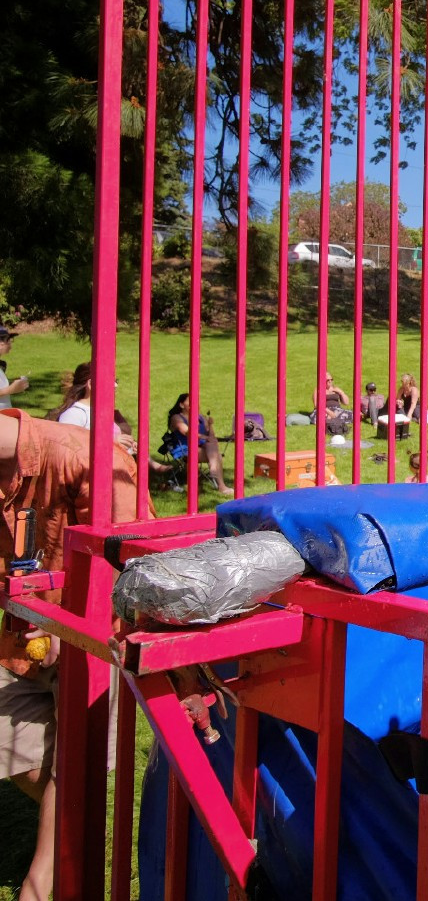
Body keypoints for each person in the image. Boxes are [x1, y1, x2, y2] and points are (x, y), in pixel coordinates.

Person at [1, 406, 148, 901]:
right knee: (20, 751)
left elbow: (131, 558)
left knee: (73, 761)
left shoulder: (82, 458)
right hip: (25, 636)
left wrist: (76, 627)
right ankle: (71, 821)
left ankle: (41, 884)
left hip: (92, 638)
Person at [49, 363, 136, 456]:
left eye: (115, 381)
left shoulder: (104, 412)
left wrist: (130, 447)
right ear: (91, 384)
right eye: (110, 381)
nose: (115, 387)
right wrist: (111, 442)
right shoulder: (74, 414)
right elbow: (67, 450)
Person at [163, 394, 233, 495]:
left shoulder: (201, 417)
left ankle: (215, 471)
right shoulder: (177, 418)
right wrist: (206, 438)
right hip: (185, 449)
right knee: (216, 455)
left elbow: (211, 436)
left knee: (212, 445)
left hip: (202, 447)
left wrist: (210, 425)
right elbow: (187, 432)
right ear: (182, 405)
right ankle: (221, 486)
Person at [0, 327, 28, 400]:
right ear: (1, 343)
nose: (10, 345)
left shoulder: (2, 365)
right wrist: (11, 389)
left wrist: (14, 384)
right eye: (8, 341)